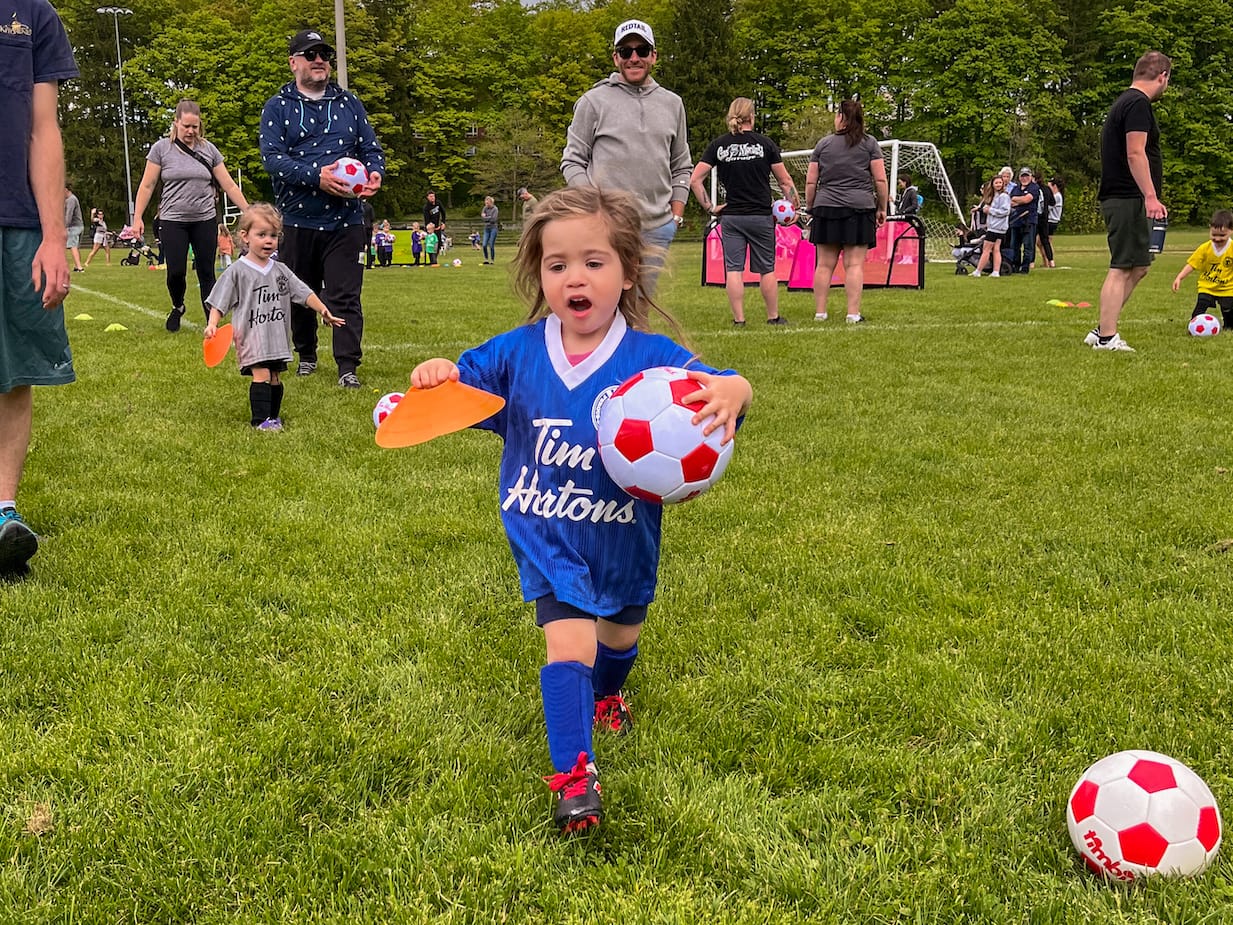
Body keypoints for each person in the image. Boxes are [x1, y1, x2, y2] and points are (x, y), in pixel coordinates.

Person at [409, 186, 752, 834]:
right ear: (539, 273)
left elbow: (721, 385)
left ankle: (611, 691)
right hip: (547, 533)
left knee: (619, 636)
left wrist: (735, 386)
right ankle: (573, 778)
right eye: (557, 263)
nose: (574, 277)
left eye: (593, 261)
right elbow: (462, 385)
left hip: (621, 537)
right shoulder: (515, 351)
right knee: (570, 643)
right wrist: (436, 374)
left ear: (626, 273)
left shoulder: (651, 362)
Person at [259, 28, 384, 388]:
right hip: (298, 220)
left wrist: (374, 173)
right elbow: (272, 160)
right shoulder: (278, 106)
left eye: (324, 55)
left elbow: (371, 150)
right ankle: (307, 355)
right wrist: (317, 176)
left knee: (346, 295)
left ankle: (347, 367)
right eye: (311, 55)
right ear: (293, 62)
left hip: (346, 220)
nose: (319, 61)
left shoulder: (349, 104)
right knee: (300, 293)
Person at [0, 0, 77, 579]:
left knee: (15, 369)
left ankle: (3, 515)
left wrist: (55, 236)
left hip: (17, 220)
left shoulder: (33, 14)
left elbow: (42, 126)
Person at [561, 19, 691, 295]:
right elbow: (573, 162)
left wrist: (675, 219)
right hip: (606, 228)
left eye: (642, 50)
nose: (634, 58)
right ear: (616, 57)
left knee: (641, 309)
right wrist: (596, 208)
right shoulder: (592, 101)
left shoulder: (673, 104)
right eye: (626, 51)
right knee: (604, 306)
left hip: (657, 229)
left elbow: (681, 165)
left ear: (653, 56)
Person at [203, 204, 344, 431]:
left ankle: (273, 417)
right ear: (245, 236)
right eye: (261, 235)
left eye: (273, 236)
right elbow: (219, 301)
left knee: (276, 376)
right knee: (262, 374)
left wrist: (323, 310)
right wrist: (212, 325)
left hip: (277, 337)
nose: (268, 241)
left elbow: (304, 292)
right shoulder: (237, 271)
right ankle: (260, 420)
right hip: (251, 337)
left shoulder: (281, 270)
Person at [132, 99, 250, 332]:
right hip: (173, 220)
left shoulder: (209, 150)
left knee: (207, 270)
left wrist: (249, 211)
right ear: (176, 123)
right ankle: (178, 305)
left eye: (194, 126)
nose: (190, 131)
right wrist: (137, 218)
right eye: (186, 126)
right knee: (176, 271)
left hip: (204, 219)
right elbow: (147, 185)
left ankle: (211, 322)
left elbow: (229, 185)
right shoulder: (161, 149)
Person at [1086, 51, 1171, 353]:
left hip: (1128, 197)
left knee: (1139, 266)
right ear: (1163, 76)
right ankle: (1108, 337)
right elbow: (1136, 152)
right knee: (1122, 266)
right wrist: (1150, 196)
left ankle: (1102, 328)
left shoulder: (1128, 102)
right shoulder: (1137, 104)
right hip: (1127, 197)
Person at [689, 96, 796, 326]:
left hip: (732, 217)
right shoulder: (765, 144)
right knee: (767, 269)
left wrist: (710, 207)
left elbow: (695, 179)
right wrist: (792, 208)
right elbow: (785, 181)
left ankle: (739, 319)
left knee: (734, 269)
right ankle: (773, 317)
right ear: (752, 117)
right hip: (760, 216)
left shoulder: (718, 145)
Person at [804, 98, 889, 323]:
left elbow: (811, 182)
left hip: (826, 208)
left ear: (842, 117)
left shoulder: (823, 144)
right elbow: (880, 179)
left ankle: (820, 313)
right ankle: (853, 314)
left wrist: (811, 207)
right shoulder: (870, 144)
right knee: (854, 265)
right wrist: (882, 208)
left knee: (823, 264)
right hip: (859, 209)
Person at [1172, 210, 1233, 328]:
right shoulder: (1204, 248)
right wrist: (1179, 277)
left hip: (1227, 288)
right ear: (1210, 229)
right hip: (1207, 286)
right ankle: (1194, 327)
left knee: (1229, 311)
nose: (1217, 238)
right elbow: (1192, 264)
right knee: (1200, 306)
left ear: (1231, 231)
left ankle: (1228, 326)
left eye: (1222, 235)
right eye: (1214, 235)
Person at [970, 174, 1010, 277]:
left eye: (1000, 182)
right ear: (992, 184)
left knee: (986, 249)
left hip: (996, 227)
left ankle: (978, 271)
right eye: (996, 183)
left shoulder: (1004, 196)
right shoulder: (994, 196)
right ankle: (996, 271)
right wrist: (980, 209)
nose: (998, 184)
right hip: (996, 227)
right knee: (996, 249)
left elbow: (1005, 211)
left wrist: (990, 210)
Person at [1006, 167, 1039, 274]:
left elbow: (1027, 199)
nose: (1024, 178)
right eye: (1022, 176)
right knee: (1014, 246)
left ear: (1030, 177)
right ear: (1019, 177)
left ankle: (1025, 267)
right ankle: (1015, 266)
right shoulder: (1016, 188)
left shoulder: (1034, 187)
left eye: (1027, 176)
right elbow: (1011, 201)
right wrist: (1021, 200)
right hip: (1016, 220)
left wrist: (1018, 199)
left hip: (1028, 220)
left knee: (1028, 246)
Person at [1040, 177, 1064, 268]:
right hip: (1052, 221)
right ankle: (1046, 260)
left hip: (1051, 220)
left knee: (1046, 242)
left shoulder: (1057, 196)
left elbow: (1048, 207)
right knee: (1042, 242)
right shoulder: (1057, 195)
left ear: (1054, 186)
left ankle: (1048, 260)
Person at [64, 183, 84, 272]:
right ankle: (77, 266)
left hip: (74, 227)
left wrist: (64, 226)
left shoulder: (71, 200)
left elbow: (69, 215)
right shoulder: (70, 199)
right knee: (75, 246)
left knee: (73, 246)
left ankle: (79, 267)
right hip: (78, 226)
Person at [481, 196, 499, 264]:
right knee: (484, 245)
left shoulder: (495, 209)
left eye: (488, 203)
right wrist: (488, 218)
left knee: (491, 244)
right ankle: (486, 259)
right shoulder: (485, 208)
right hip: (486, 228)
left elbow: (494, 219)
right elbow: (482, 218)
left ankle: (492, 259)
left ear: (491, 203)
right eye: (485, 203)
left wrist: (486, 218)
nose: (486, 205)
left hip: (493, 228)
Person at [362, 199, 375, 269]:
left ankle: (360, 263)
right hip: (369, 227)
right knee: (369, 246)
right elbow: (373, 217)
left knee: (361, 247)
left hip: (361, 227)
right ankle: (369, 264)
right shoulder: (369, 206)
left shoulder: (359, 206)